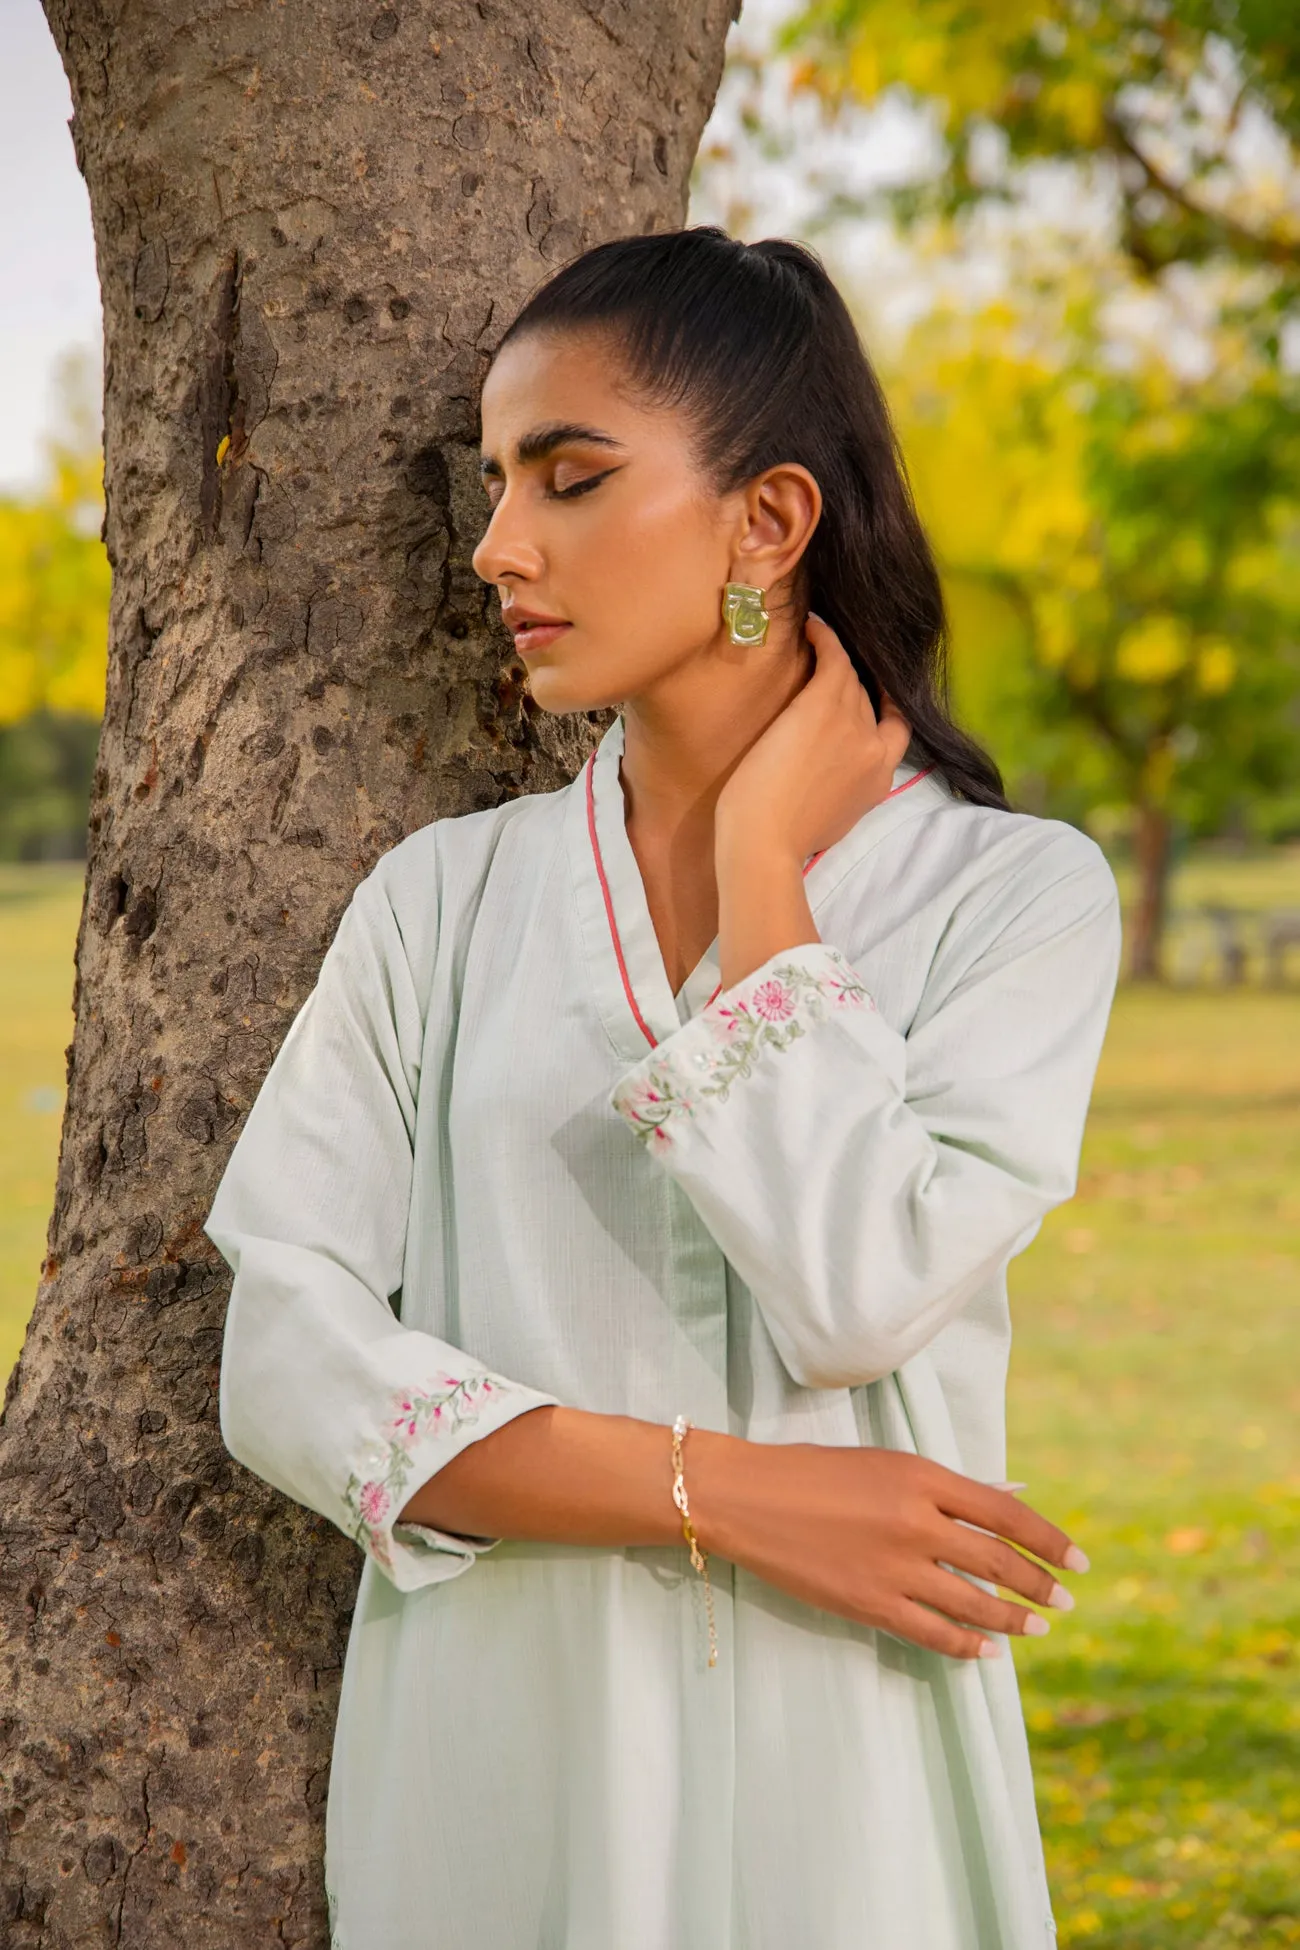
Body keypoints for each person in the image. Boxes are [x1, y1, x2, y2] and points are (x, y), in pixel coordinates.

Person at [206, 226, 1122, 1949]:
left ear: (767, 521)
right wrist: (730, 1491)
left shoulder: (1014, 898)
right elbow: (283, 1356)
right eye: (496, 483)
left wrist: (767, 858)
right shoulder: (442, 902)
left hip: (852, 1763)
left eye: (569, 478)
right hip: (507, 1774)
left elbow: (856, 1291)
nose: (495, 547)